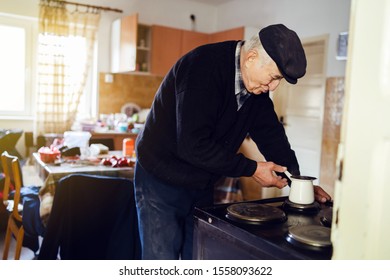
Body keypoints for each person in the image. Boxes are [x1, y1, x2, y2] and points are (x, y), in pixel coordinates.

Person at [133, 23, 331, 260]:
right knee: (161, 259)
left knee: (197, 256)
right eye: (274, 77)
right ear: (251, 57)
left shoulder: (257, 89)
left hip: (200, 181)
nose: (273, 87)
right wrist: (252, 168)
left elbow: (272, 137)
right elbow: (192, 145)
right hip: (160, 180)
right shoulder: (202, 68)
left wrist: (299, 183)